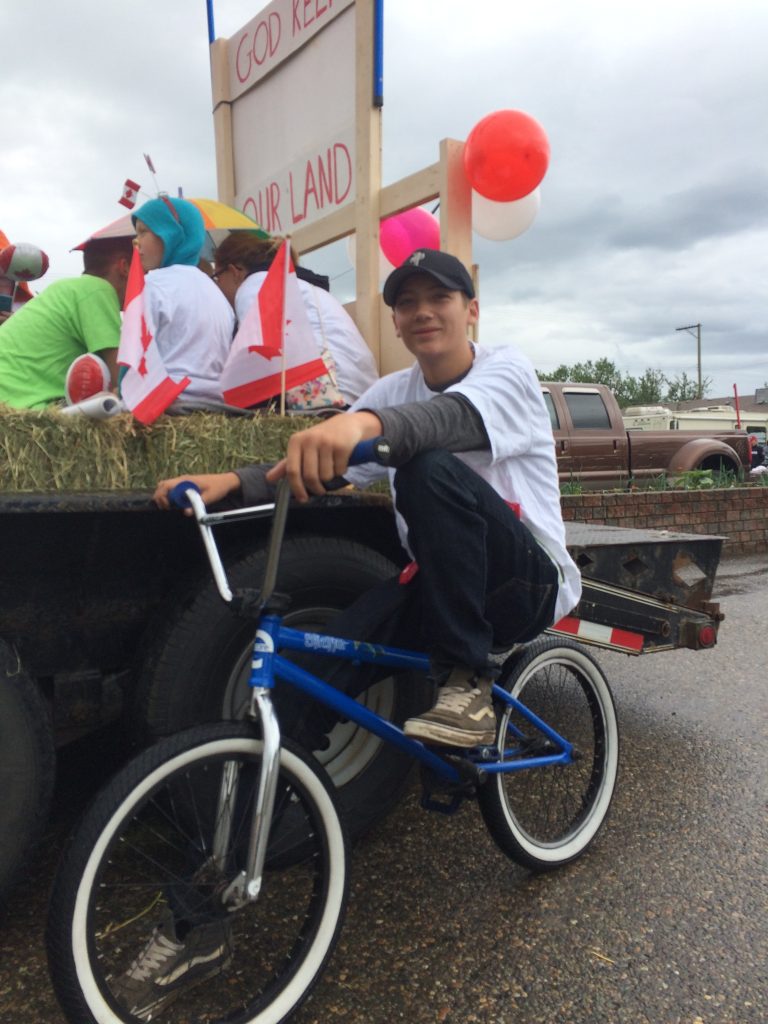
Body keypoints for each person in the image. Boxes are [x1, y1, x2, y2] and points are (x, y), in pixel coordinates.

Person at [157, 248, 582, 747]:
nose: (422, 311)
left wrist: (362, 422)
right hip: (443, 586)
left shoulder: (508, 370)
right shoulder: (392, 390)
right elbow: (330, 467)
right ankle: (282, 795)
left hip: (525, 583)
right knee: (310, 675)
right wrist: (234, 481)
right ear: (397, 324)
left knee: (425, 464)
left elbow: (448, 421)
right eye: (407, 303)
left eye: (439, 297)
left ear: (471, 310)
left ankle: (468, 683)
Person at [211, 233, 378, 407]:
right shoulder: (306, 286)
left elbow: (260, 356)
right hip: (362, 400)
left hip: (329, 400)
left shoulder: (254, 284)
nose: (217, 286)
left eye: (217, 277)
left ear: (234, 271)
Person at [0, 237, 133, 409]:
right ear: (125, 267)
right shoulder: (98, 290)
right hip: (20, 405)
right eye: (144, 273)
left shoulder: (66, 288)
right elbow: (124, 384)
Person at [132, 196, 235, 404]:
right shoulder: (215, 291)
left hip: (168, 401)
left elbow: (135, 355)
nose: (135, 241)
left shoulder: (155, 284)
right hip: (217, 403)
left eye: (143, 231)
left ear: (170, 234)